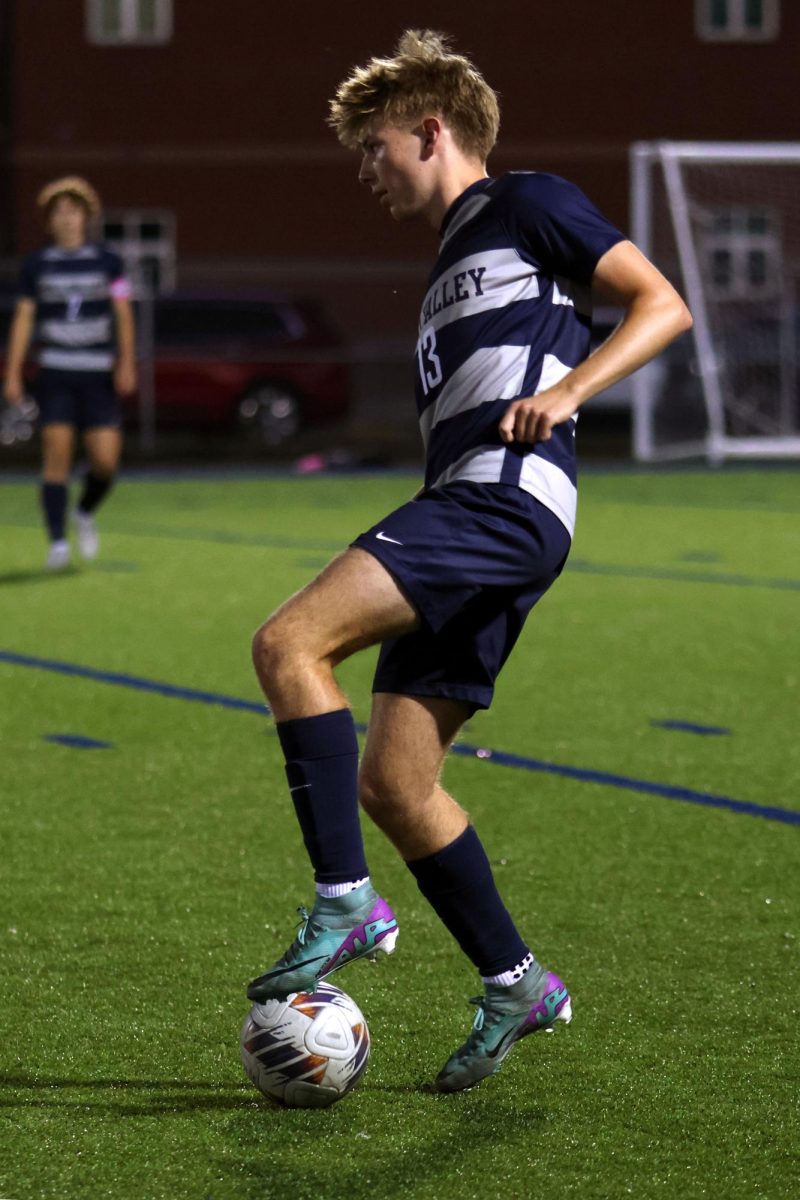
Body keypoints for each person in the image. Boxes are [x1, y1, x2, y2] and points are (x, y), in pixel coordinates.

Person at [246, 30, 692, 1092]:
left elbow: (662, 301)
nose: (368, 171)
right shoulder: (452, 253)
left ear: (431, 133)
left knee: (287, 643)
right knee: (397, 782)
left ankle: (344, 899)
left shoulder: (524, 202)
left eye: (375, 148)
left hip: (498, 507)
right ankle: (515, 981)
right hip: (478, 511)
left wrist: (572, 391)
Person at [2, 176, 137, 570]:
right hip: (56, 371)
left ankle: (83, 512)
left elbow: (123, 313)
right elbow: (24, 319)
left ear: (86, 217)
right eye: (58, 212)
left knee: (105, 462)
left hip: (97, 374)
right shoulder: (37, 265)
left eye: (73, 211)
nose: (67, 218)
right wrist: (12, 373)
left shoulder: (108, 261)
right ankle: (58, 542)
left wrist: (127, 361)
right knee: (56, 454)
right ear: (50, 221)